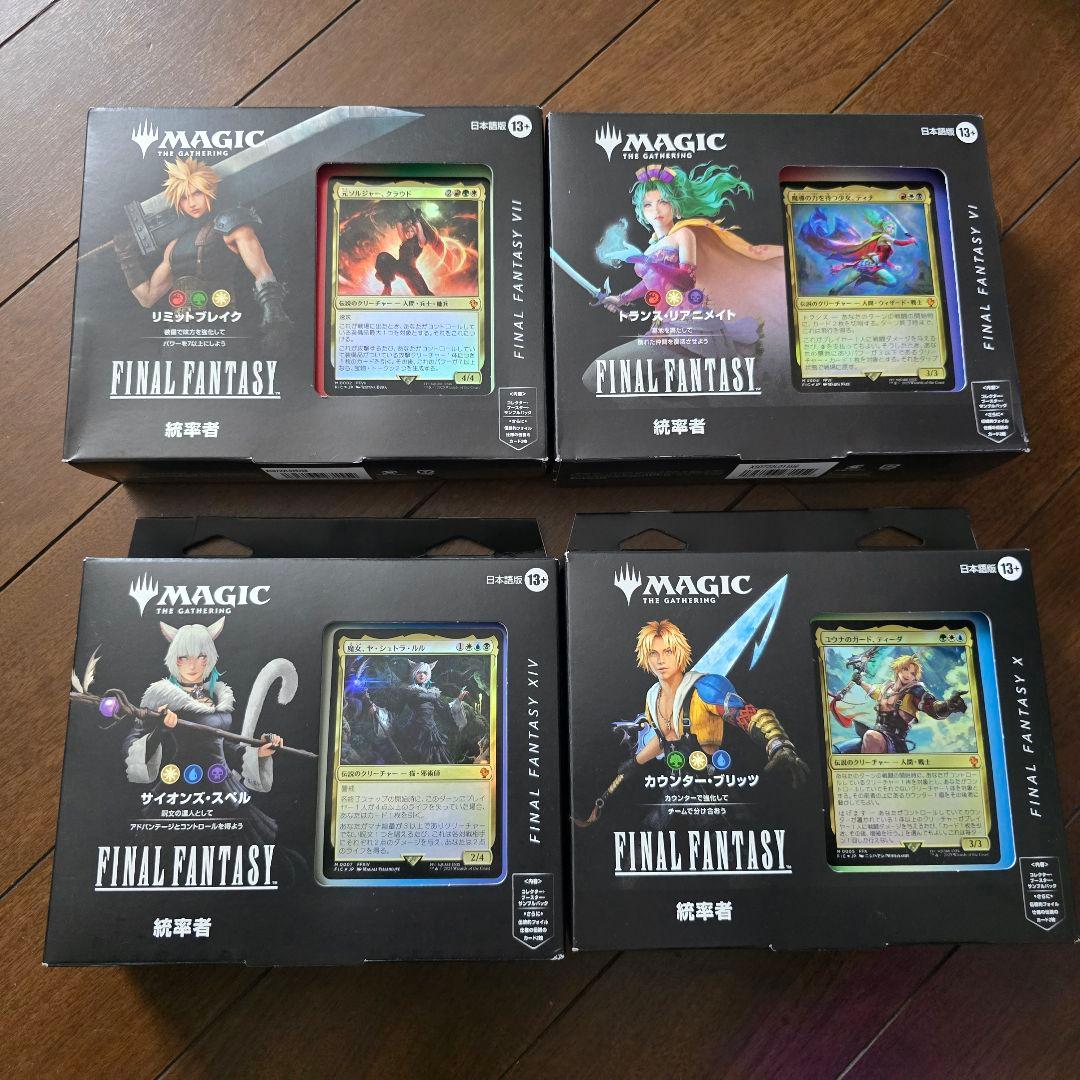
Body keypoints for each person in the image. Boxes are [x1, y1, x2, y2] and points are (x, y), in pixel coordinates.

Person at [123, 617, 285, 843]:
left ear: (209, 658)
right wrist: (160, 728)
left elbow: (223, 746)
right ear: (174, 660)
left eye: (200, 657)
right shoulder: (160, 697)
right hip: (181, 789)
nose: (192, 665)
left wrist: (258, 752)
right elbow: (133, 744)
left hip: (224, 788)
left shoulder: (217, 695)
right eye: (183, 657)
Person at [113, 156, 290, 339]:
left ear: (210, 191)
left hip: (222, 329)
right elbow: (147, 298)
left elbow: (262, 272)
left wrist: (274, 316)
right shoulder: (174, 246)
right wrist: (127, 258)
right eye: (184, 198)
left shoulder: (231, 226)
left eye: (197, 193)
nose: (191, 203)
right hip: (179, 336)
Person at [839, 653, 966, 754]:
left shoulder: (915, 691)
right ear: (898, 669)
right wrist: (859, 681)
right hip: (877, 735)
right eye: (905, 669)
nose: (908, 675)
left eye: (912, 673)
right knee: (841, 749)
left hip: (895, 742)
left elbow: (932, 706)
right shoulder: (886, 688)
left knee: (870, 736)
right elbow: (872, 690)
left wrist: (947, 705)